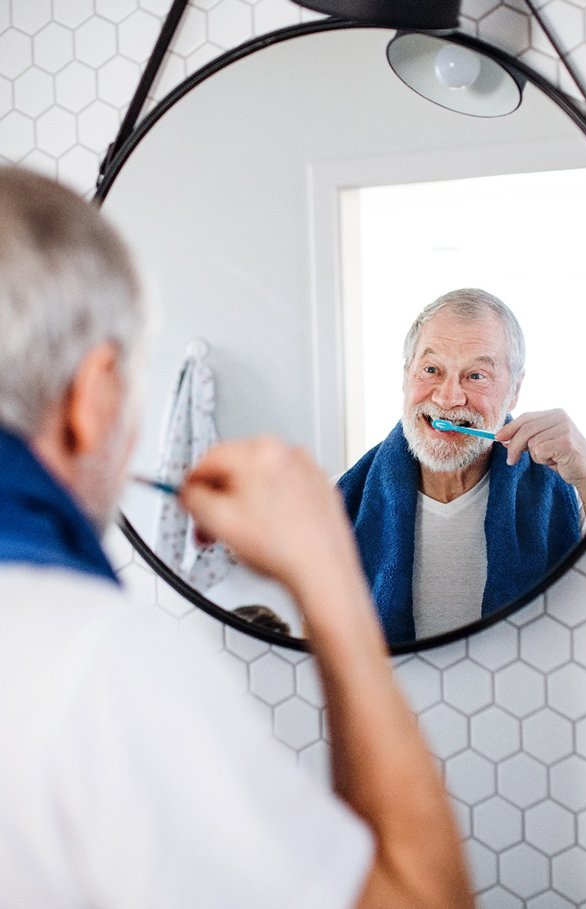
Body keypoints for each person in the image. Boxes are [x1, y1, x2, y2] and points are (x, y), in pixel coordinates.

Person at [0, 166, 473, 908]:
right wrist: (330, 583)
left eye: (478, 374)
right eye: (135, 383)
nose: (451, 393)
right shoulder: (96, 666)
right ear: (91, 400)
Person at [338, 288, 586, 645]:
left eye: (476, 376)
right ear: (406, 376)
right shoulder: (334, 506)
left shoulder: (571, 500)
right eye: (431, 369)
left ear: (514, 390)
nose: (448, 397)